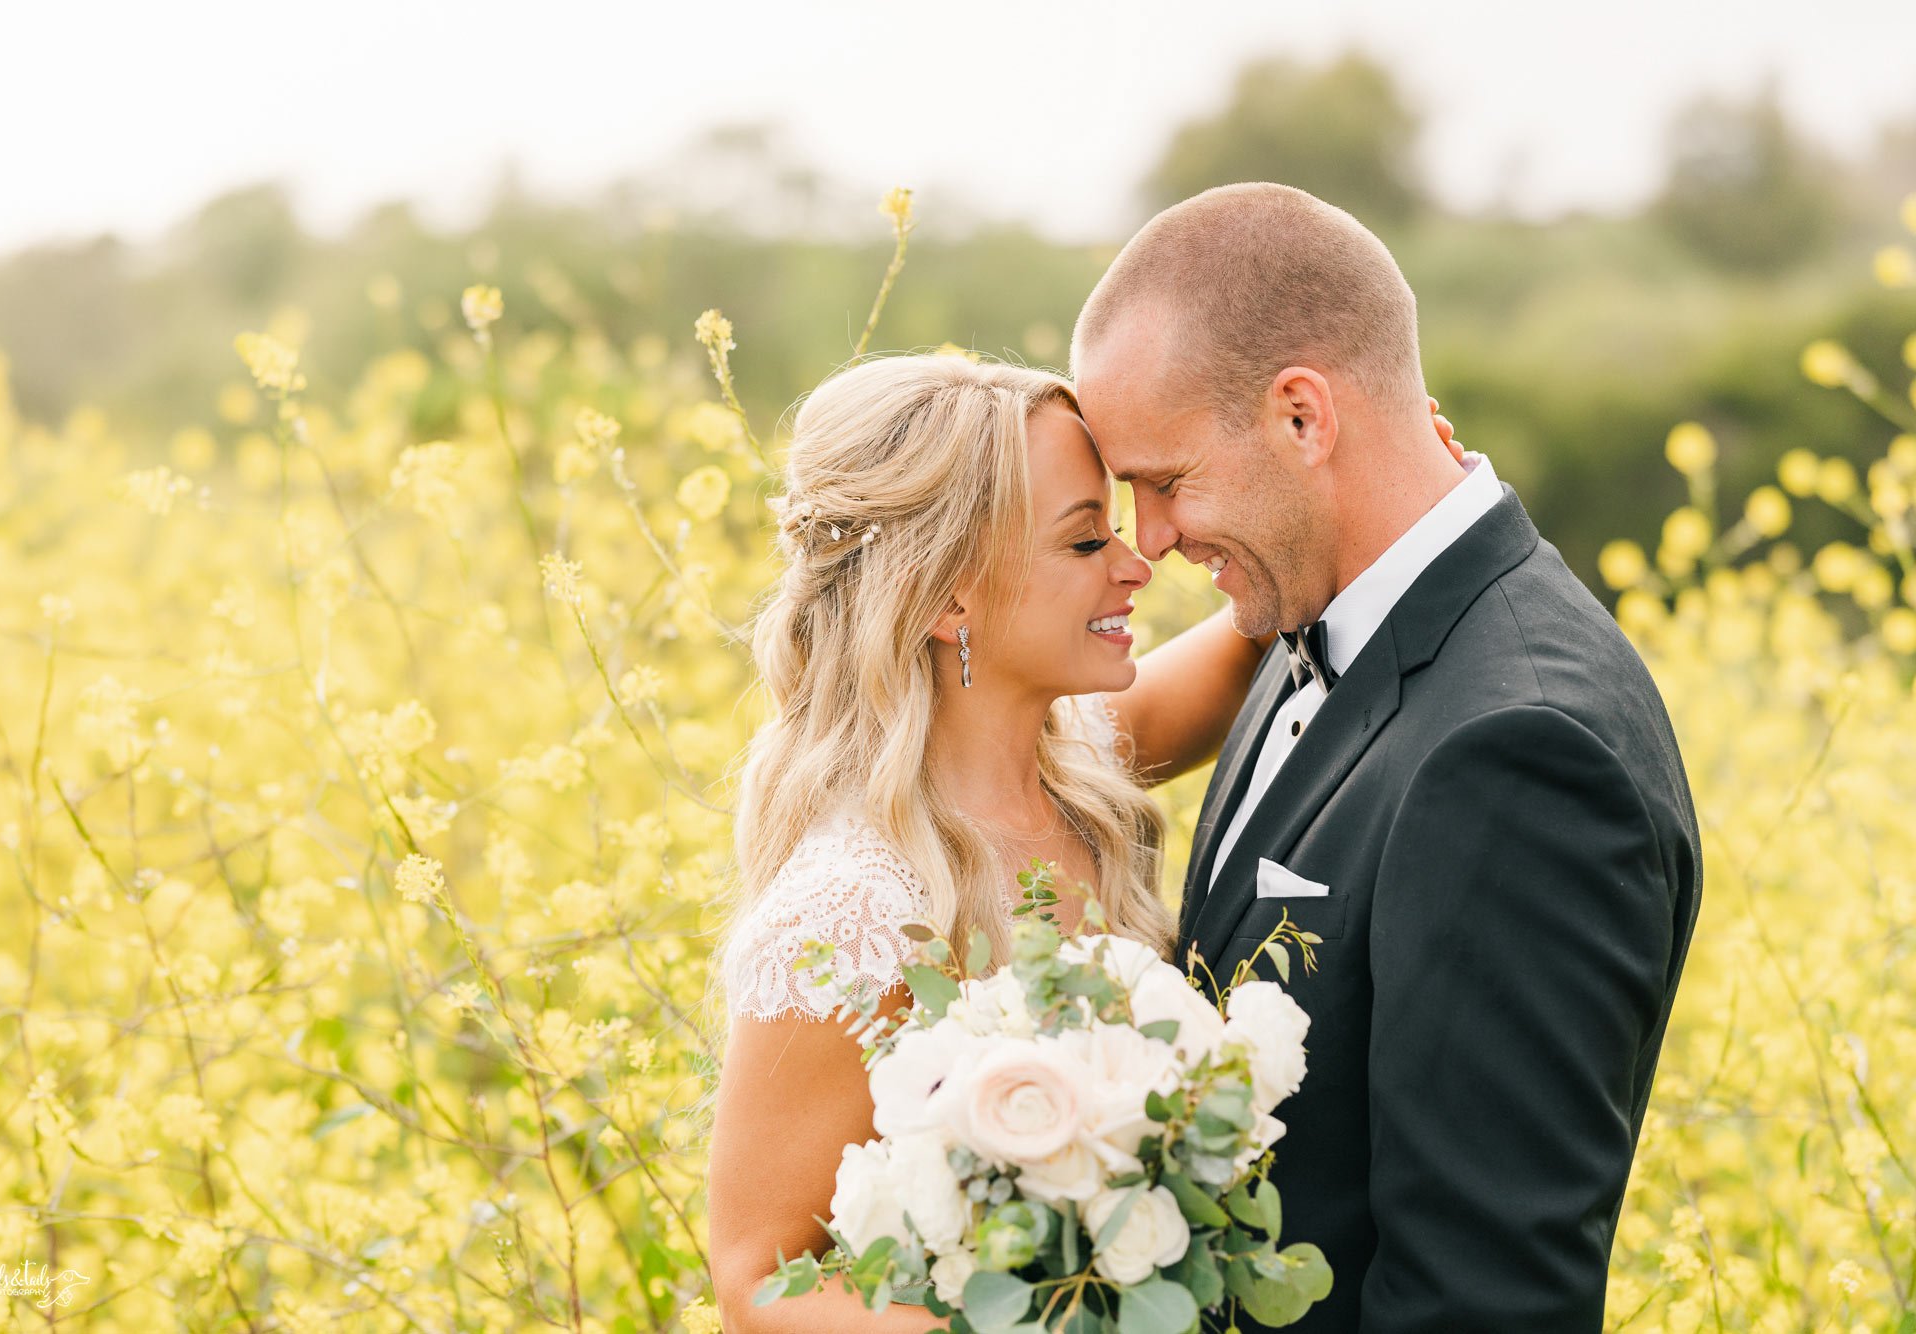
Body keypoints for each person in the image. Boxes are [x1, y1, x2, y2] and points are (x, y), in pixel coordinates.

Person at [705, 352, 1457, 1329]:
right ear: (948, 599)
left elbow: (1263, 618)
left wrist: (1383, 485)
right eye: (1082, 539)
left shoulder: (1086, 762)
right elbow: (756, 1270)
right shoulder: (848, 907)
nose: (1134, 561)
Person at [1070, 181, 1703, 1332]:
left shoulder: (1518, 755)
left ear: (1302, 417)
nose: (1148, 538)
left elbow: (1482, 1298)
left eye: (1164, 482)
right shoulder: (1309, 605)